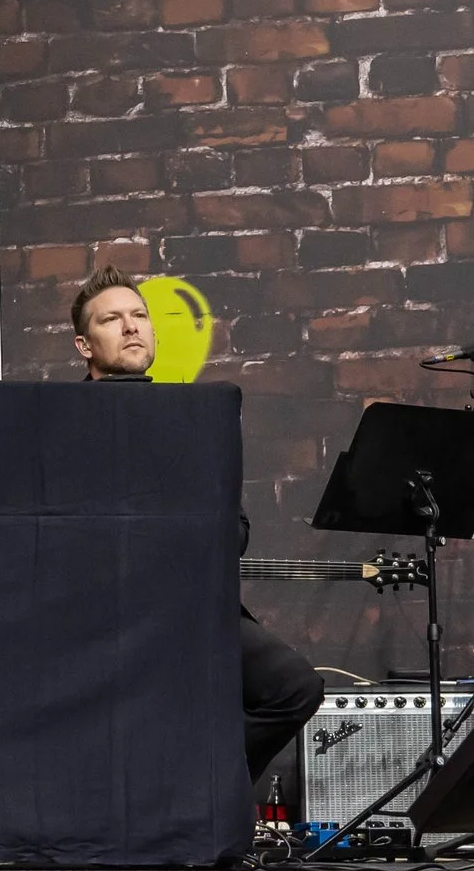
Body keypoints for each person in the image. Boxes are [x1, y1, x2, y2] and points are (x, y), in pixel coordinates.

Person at [70, 267, 326, 785]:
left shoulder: (196, 419)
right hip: (101, 613)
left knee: (296, 686)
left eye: (139, 316)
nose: (130, 327)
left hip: (195, 607)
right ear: (85, 345)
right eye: (112, 319)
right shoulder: (60, 421)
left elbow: (236, 531)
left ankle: (201, 789)